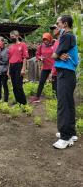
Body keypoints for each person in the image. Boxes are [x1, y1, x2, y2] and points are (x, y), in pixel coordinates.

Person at [52, 15, 79, 149]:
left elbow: (54, 55)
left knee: (63, 104)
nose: (56, 26)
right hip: (68, 74)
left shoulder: (67, 36)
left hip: (65, 74)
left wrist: (57, 55)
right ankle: (71, 132)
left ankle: (65, 137)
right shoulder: (69, 37)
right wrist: (58, 55)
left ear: (65, 24)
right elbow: (57, 55)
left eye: (58, 23)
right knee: (68, 103)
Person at [30, 33, 54, 103]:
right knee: (41, 82)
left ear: (49, 39)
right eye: (44, 40)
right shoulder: (41, 46)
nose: (45, 41)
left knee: (54, 83)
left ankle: (55, 97)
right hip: (45, 67)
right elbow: (37, 54)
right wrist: (40, 58)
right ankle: (37, 97)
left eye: (46, 39)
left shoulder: (54, 45)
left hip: (53, 67)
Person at [8, 31, 28, 105]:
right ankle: (17, 101)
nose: (11, 38)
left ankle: (24, 103)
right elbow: (9, 59)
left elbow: (25, 57)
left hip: (19, 65)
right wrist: (8, 70)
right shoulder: (10, 46)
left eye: (13, 36)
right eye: (10, 36)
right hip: (12, 66)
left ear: (17, 36)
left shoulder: (23, 45)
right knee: (14, 86)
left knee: (19, 85)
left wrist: (23, 68)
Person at [50, 24, 60, 97]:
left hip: (60, 71)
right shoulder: (56, 42)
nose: (54, 30)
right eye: (53, 29)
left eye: (55, 28)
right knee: (56, 94)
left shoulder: (63, 41)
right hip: (55, 71)